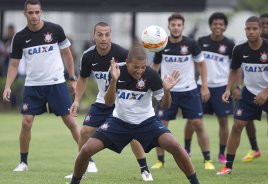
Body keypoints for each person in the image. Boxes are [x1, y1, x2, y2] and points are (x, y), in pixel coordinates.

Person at [69, 42, 200, 184]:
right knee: (86, 149)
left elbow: (165, 105)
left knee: (174, 146)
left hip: (146, 122)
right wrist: (114, 80)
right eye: (136, 67)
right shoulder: (116, 71)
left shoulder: (151, 75)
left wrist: (167, 91)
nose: (140, 71)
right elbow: (108, 102)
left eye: (143, 67)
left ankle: (195, 182)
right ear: (127, 62)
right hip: (119, 122)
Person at [65, 22, 153, 181]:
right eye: (100, 34)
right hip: (103, 101)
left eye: (107, 34)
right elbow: (82, 79)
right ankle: (82, 170)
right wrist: (77, 100)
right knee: (85, 131)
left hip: (122, 102)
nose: (103, 38)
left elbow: (137, 74)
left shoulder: (122, 54)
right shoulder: (88, 56)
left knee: (133, 135)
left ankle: (145, 170)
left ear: (111, 36)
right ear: (94, 36)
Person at [2, 0, 80, 172]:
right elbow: (13, 65)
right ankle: (23, 162)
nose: (34, 16)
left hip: (56, 83)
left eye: (37, 12)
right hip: (33, 86)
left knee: (70, 121)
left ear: (41, 12)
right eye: (31, 12)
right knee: (26, 122)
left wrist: (72, 78)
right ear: (25, 14)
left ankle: (87, 159)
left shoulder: (55, 29)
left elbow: (67, 54)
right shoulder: (19, 37)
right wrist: (7, 86)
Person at [217, 16, 268, 175]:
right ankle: (227, 167)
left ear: (260, 30)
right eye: (248, 28)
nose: (251, 31)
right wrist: (228, 89)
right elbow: (234, 70)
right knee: (237, 125)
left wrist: (266, 92)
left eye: (254, 29)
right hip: (250, 93)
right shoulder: (240, 49)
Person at [151, 13, 215, 170]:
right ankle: (160, 160)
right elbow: (155, 68)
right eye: (173, 25)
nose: (176, 27)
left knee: (198, 124)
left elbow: (202, 64)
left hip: (189, 90)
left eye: (179, 25)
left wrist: (204, 86)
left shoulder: (191, 44)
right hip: (168, 92)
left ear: (183, 27)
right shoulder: (162, 45)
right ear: (169, 27)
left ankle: (207, 160)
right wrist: (152, 87)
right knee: (160, 126)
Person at [185, 12, 236, 164]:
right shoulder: (201, 41)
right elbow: (194, 61)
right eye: (215, 24)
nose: (218, 26)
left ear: (225, 27)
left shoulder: (229, 45)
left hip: (221, 87)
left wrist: (235, 86)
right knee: (193, 119)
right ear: (210, 25)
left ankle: (221, 153)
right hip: (201, 86)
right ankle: (187, 149)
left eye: (221, 24)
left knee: (223, 121)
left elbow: (235, 68)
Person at [242, 13, 268, 164]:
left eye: (267, 24)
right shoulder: (248, 44)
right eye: (262, 24)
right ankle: (254, 149)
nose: (265, 26)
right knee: (245, 119)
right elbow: (242, 66)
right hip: (253, 87)